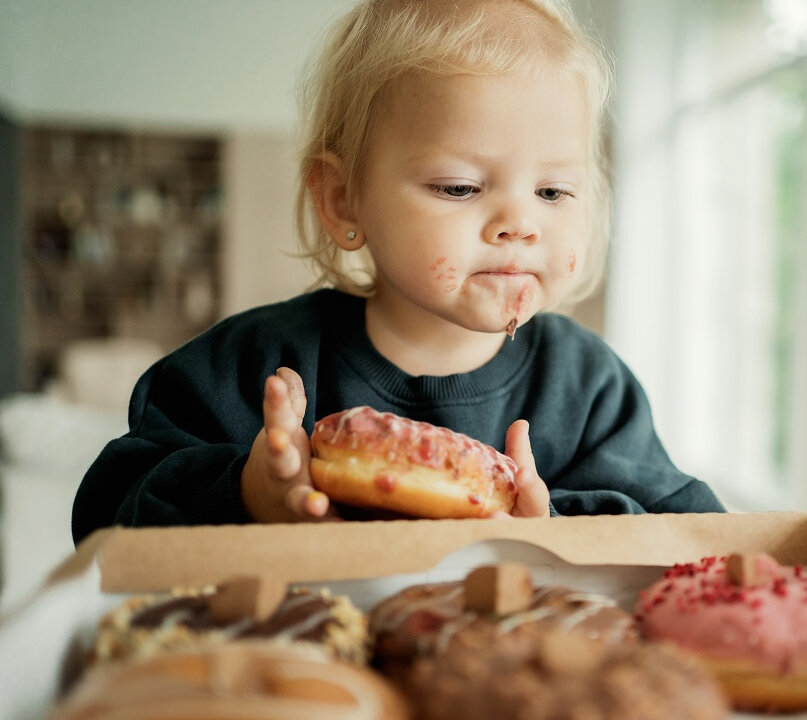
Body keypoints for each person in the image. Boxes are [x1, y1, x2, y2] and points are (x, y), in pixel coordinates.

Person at [71, 0, 725, 545]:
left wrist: (552, 532)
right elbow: (101, 515)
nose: (521, 223)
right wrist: (245, 493)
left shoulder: (587, 389)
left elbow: (693, 538)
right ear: (343, 199)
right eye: (460, 186)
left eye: (554, 193)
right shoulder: (257, 367)